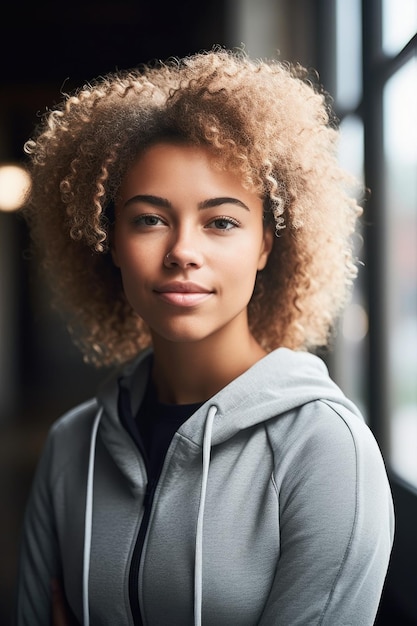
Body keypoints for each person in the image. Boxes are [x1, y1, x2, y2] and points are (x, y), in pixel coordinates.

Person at [15, 47, 394, 626]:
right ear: (110, 240)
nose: (183, 252)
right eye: (149, 219)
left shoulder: (325, 450)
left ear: (266, 244)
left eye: (221, 222)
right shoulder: (73, 446)